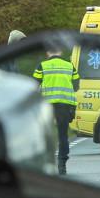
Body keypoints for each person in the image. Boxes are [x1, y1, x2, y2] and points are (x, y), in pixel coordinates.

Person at [33, 45, 79, 175]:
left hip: (46, 106)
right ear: (60, 51)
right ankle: (62, 165)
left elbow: (33, 85)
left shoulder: (42, 66)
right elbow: (76, 85)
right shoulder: (70, 66)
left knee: (44, 135)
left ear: (47, 53)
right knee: (63, 135)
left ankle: (45, 164)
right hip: (65, 105)